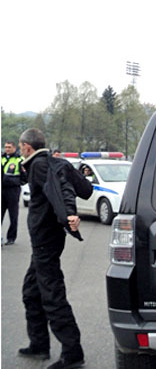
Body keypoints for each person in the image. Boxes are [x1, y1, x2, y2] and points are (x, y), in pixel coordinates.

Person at [18, 128, 85, 369]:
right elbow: (82, 188)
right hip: (44, 242)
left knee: (52, 296)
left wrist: (70, 214)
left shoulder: (40, 165)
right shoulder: (54, 162)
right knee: (31, 292)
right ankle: (39, 344)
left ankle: (73, 352)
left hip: (45, 242)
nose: (20, 150)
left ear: (27, 147)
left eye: (20, 146)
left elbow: (59, 189)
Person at [2, 140, 27, 245]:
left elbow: (25, 175)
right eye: (6, 147)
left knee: (13, 215)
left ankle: (11, 237)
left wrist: (17, 182)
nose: (7, 149)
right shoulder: (2, 158)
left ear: (14, 148)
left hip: (13, 190)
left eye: (9, 147)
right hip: (2, 189)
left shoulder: (19, 159)